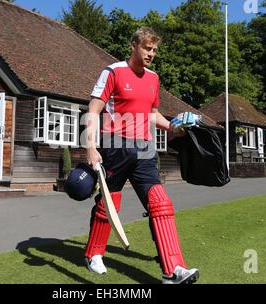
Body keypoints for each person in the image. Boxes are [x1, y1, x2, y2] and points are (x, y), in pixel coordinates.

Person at [84, 27, 199, 284]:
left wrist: (171, 127)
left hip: (145, 148)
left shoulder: (154, 78)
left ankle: (174, 269)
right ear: (134, 45)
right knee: (109, 205)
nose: (151, 54)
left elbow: (151, 113)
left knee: (160, 202)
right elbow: (94, 108)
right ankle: (93, 254)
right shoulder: (113, 71)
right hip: (114, 146)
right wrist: (90, 146)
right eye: (147, 48)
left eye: (155, 50)